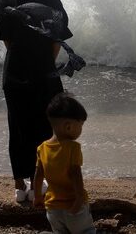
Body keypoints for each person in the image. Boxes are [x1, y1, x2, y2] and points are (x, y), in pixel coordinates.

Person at [0, 0, 70, 202]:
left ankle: (20, 187)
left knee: (17, 127)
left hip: (15, 71)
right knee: (45, 128)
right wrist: (45, 63)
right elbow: (57, 40)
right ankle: (41, 182)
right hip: (44, 72)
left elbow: (8, 42)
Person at [33, 92, 95, 234]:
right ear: (68, 127)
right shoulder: (73, 148)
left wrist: (37, 196)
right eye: (80, 125)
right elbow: (75, 175)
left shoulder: (42, 148)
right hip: (73, 206)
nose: (81, 130)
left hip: (52, 208)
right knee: (86, 231)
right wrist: (79, 199)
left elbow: (38, 175)